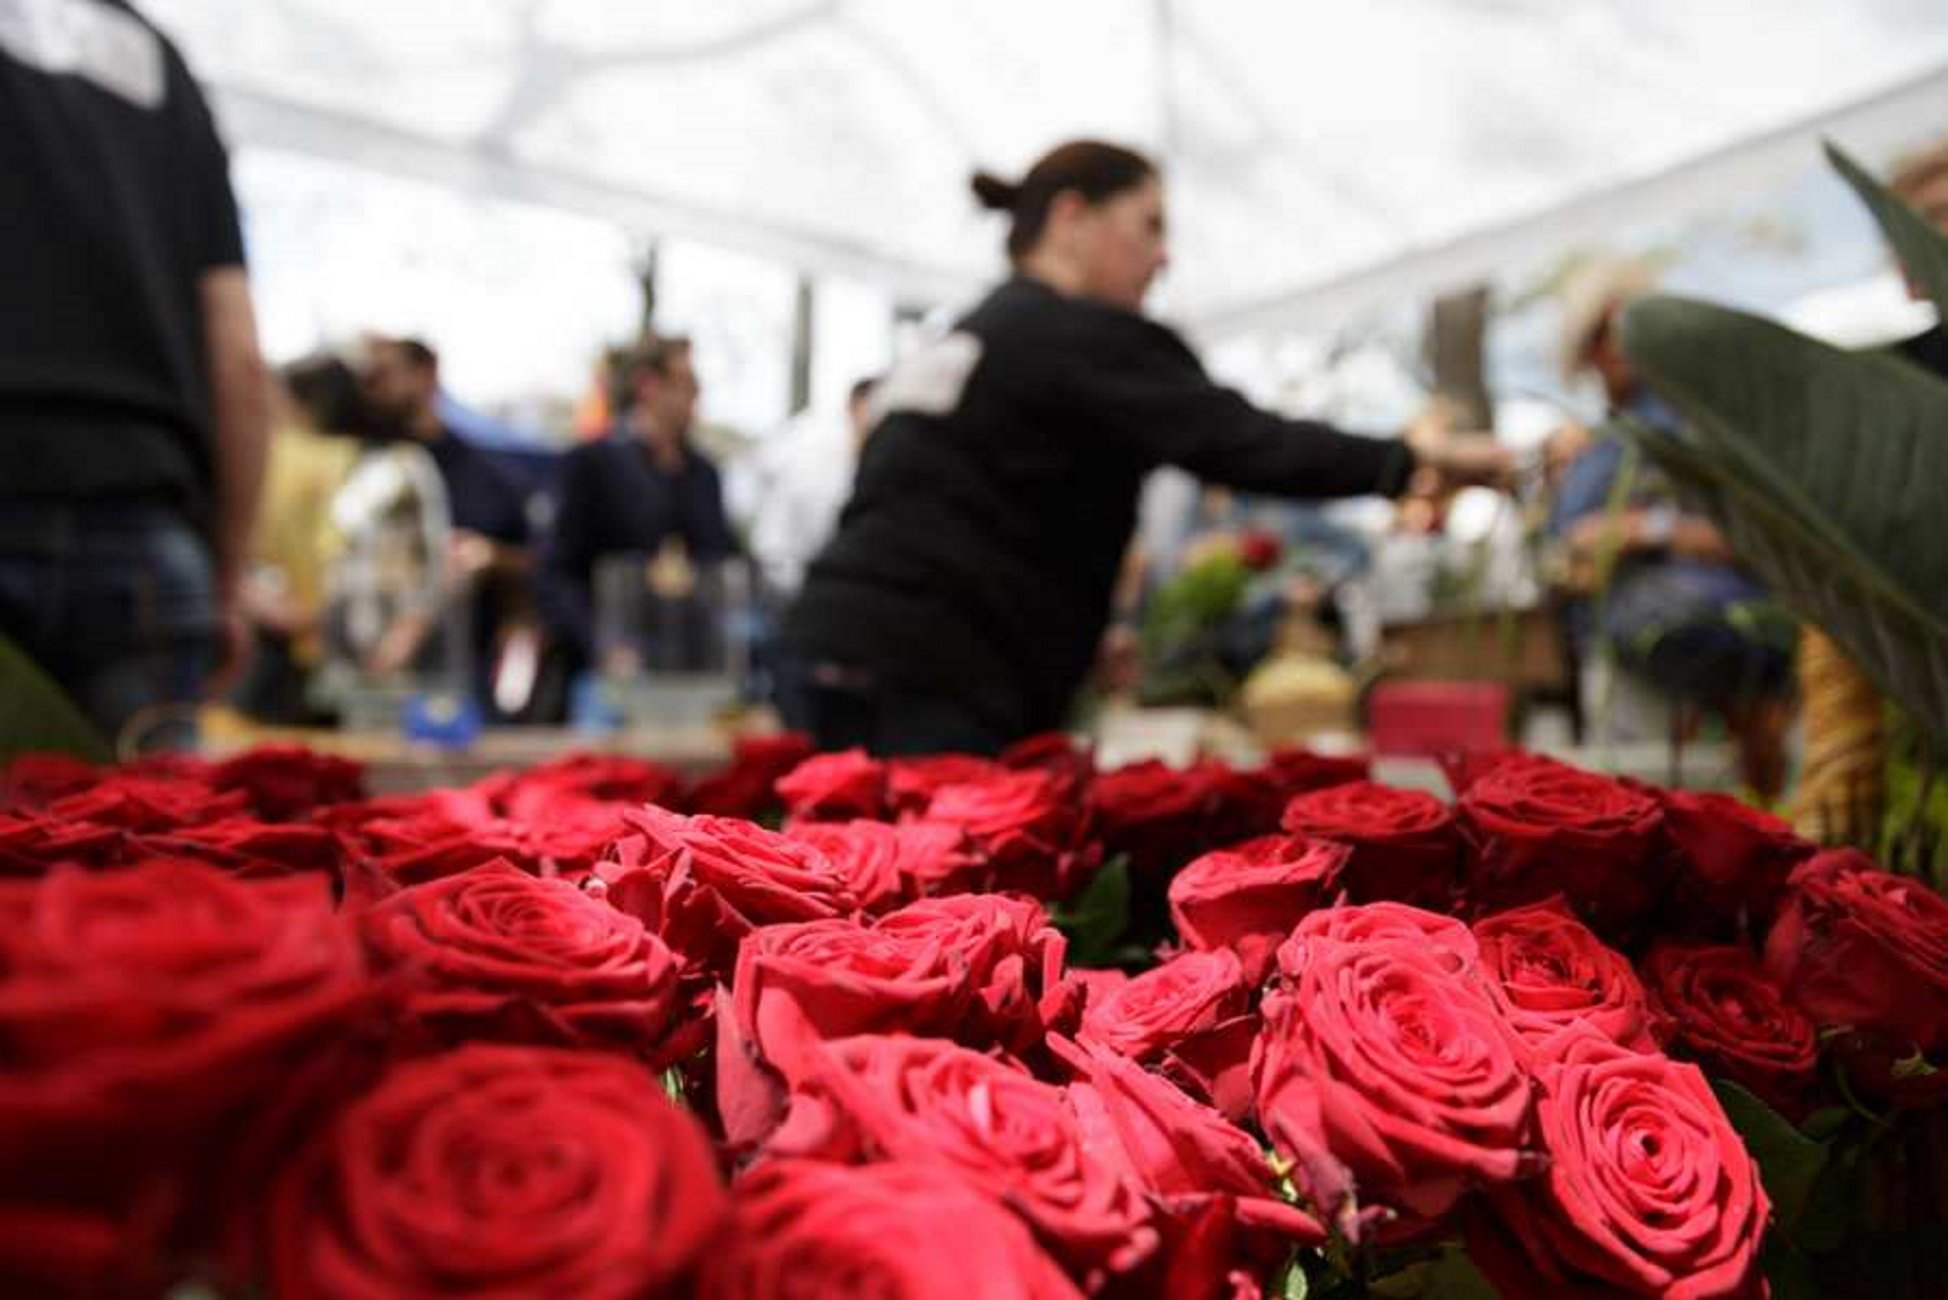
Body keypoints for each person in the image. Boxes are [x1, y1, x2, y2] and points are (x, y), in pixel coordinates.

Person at [781, 139, 1506, 756]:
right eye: (1148, 226)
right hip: (933, 682)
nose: (1162, 258)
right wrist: (1414, 462)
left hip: (827, 654)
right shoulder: (1079, 336)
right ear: (1072, 217)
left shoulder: (968, 337)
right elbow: (1245, 442)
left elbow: (970, 509)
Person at [0, 0, 269, 751]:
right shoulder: (154, 60)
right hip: (144, 540)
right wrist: (226, 576)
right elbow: (238, 352)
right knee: (155, 851)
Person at [1546, 258, 1795, 795]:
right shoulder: (1609, 437)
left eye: (1619, 326)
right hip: (1627, 653)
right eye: (1599, 333)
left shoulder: (1696, 423)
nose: (1610, 348)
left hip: (1701, 646)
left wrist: (1646, 529)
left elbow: (1770, 534)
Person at [541, 335, 738, 674]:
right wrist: (600, 647)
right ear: (648, 385)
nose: (695, 397)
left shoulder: (703, 474)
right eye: (686, 383)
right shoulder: (591, 464)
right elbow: (557, 572)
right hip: (610, 667)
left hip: (693, 662)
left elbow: (719, 560)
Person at [353, 336, 534, 696]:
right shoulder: (361, 468)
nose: (374, 389)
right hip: (371, 673)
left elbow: (533, 563)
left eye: (385, 374)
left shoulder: (484, 474)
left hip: (461, 677)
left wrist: (492, 557)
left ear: (426, 374)